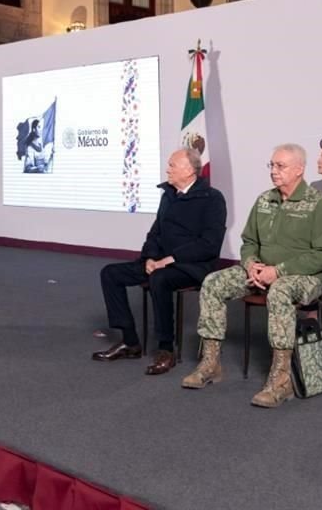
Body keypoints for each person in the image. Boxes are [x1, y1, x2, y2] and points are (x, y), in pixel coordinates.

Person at [181, 144, 322, 408]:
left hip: (306, 277)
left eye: (281, 166)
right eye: (272, 165)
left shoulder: (317, 204)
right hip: (262, 271)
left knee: (280, 290)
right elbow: (249, 240)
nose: (274, 171)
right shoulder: (265, 200)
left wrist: (278, 271)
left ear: (299, 169)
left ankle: (281, 380)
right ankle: (210, 363)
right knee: (213, 283)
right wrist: (251, 264)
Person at [92, 149, 226, 375]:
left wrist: (170, 260)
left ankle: (166, 349)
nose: (167, 169)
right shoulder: (168, 195)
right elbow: (155, 233)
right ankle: (130, 342)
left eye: (172, 165)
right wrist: (150, 257)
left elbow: (209, 245)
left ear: (189, 170)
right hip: (160, 262)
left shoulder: (212, 199)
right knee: (110, 273)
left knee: (160, 278)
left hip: (192, 266)